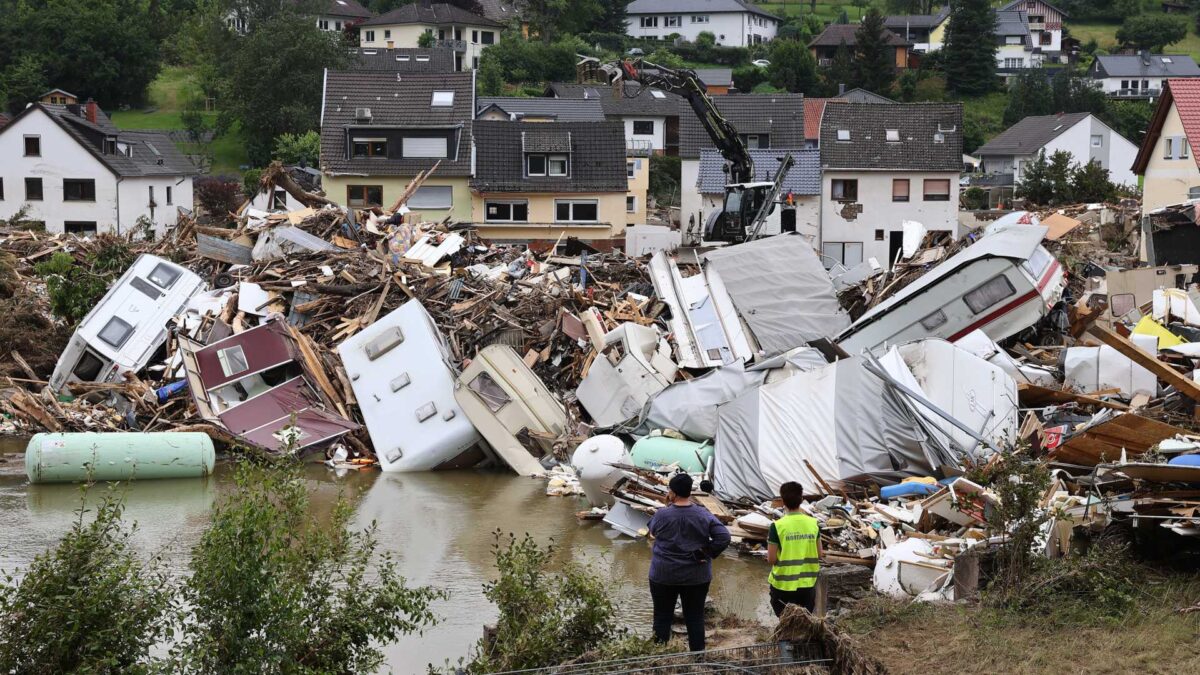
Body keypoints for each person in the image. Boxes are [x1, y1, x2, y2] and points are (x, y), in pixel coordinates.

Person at [647, 473, 731, 652]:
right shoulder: (703, 513)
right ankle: (698, 658)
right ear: (689, 491)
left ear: (672, 492)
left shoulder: (662, 514)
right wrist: (706, 551)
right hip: (696, 575)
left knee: (662, 617)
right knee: (694, 617)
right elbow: (724, 536)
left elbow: (652, 531)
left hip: (664, 575)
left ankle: (658, 658)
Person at [767, 481, 822, 617]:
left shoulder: (777, 526)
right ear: (801, 499)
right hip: (807, 584)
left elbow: (771, 559)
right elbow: (819, 555)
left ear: (783, 501)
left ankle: (786, 638)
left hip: (782, 586)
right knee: (804, 620)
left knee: (785, 620)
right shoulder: (813, 524)